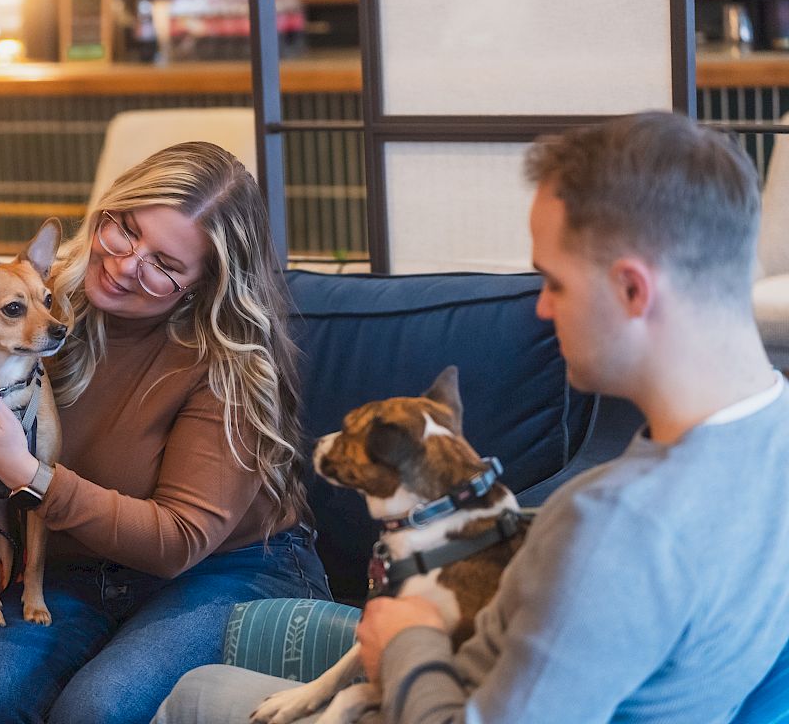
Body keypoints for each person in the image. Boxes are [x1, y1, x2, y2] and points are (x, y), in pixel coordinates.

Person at [154, 111, 789, 724]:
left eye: (555, 282)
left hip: (444, 689)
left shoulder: (613, 527)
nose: (541, 309)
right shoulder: (770, 436)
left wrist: (409, 642)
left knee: (198, 694)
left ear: (632, 290)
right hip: (514, 659)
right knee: (245, 635)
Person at [0, 141, 330, 724]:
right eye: (126, 230)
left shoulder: (226, 362)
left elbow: (178, 539)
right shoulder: (29, 296)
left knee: (97, 709)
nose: (127, 263)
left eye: (165, 264)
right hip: (81, 567)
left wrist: (23, 472)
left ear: (203, 285)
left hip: (226, 570)